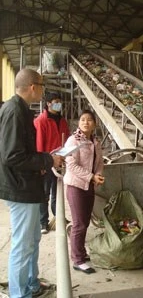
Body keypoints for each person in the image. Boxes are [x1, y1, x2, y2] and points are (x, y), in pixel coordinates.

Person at [0, 68, 64, 297]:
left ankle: (30, 284)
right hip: (19, 187)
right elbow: (11, 155)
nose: (44, 91)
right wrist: (48, 159)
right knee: (22, 244)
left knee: (32, 240)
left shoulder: (22, 110)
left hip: (27, 185)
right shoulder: (14, 111)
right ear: (33, 87)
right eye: (43, 86)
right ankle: (19, 293)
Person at [64, 109, 105, 274]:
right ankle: (77, 260)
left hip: (89, 186)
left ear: (94, 124)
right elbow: (71, 165)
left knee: (85, 222)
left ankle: (80, 252)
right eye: (82, 120)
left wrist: (99, 175)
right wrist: (91, 177)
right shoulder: (73, 141)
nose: (85, 122)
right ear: (78, 123)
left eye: (89, 120)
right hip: (76, 186)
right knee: (79, 224)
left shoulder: (95, 142)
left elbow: (100, 162)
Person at [34, 92, 70, 234]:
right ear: (48, 103)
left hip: (60, 161)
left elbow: (66, 139)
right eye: (56, 101)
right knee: (44, 193)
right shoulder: (41, 121)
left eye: (60, 102)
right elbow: (39, 144)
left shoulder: (62, 120)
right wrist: (41, 164)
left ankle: (58, 218)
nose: (58, 104)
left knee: (57, 192)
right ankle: (43, 222)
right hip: (47, 162)